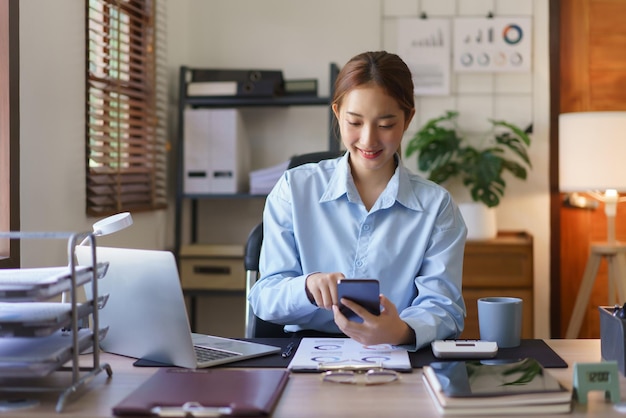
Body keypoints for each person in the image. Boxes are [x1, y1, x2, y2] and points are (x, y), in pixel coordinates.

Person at [248, 51, 467, 350]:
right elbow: (264, 297)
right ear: (337, 113)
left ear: (408, 118)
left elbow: (445, 308)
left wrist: (401, 331)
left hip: (398, 351)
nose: (368, 139)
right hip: (306, 352)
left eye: (386, 124)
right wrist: (307, 287)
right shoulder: (294, 189)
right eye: (354, 122)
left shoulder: (436, 207)